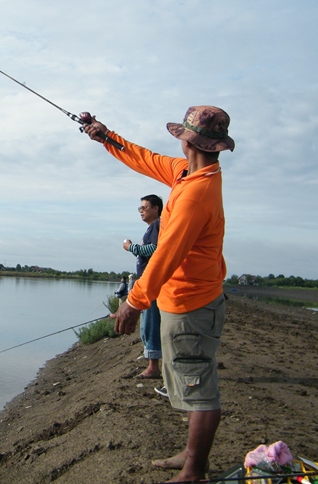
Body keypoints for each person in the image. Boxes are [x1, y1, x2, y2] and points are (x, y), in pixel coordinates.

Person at [83, 105, 234, 483]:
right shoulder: (185, 173)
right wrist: (106, 137)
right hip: (181, 302)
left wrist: (134, 302)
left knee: (199, 389)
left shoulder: (197, 194)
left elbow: (167, 255)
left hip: (192, 306)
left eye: (182, 136)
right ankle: (189, 453)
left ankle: (194, 471)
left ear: (190, 142)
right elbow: (144, 159)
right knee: (186, 381)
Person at [124, 194, 163, 379]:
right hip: (146, 283)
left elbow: (155, 249)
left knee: (151, 323)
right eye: (139, 208)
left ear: (155, 208)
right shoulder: (151, 228)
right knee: (147, 323)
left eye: (144, 207)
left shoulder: (157, 225)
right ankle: (151, 359)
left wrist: (131, 248)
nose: (141, 211)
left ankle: (153, 365)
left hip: (152, 284)